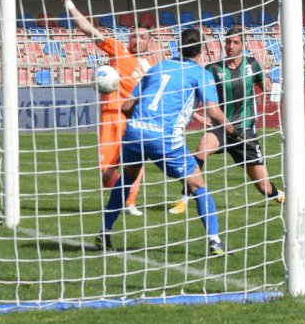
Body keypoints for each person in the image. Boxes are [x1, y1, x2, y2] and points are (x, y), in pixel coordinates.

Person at [97, 28, 231, 255]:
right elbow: (213, 111)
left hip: (134, 132)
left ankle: (104, 231)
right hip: (165, 138)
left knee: (127, 179)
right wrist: (232, 130)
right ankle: (215, 241)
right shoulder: (201, 73)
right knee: (197, 185)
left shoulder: (157, 67)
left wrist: (139, 127)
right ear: (201, 49)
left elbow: (127, 106)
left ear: (178, 47)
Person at [55, 0, 151, 219]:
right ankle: (122, 192)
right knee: (106, 174)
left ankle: (129, 202)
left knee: (133, 161)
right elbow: (89, 30)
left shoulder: (154, 68)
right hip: (111, 116)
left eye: (142, 38)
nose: (137, 41)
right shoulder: (118, 51)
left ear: (150, 42)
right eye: (134, 36)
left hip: (134, 119)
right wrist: (68, 2)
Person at [188, 28, 283, 207]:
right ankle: (183, 199)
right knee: (202, 148)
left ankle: (280, 196)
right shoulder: (213, 69)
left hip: (245, 132)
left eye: (235, 42)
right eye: (228, 42)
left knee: (265, 187)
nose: (230, 46)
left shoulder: (252, 65)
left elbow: (267, 87)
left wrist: (283, 90)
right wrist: (198, 116)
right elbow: (194, 96)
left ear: (243, 45)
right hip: (221, 129)